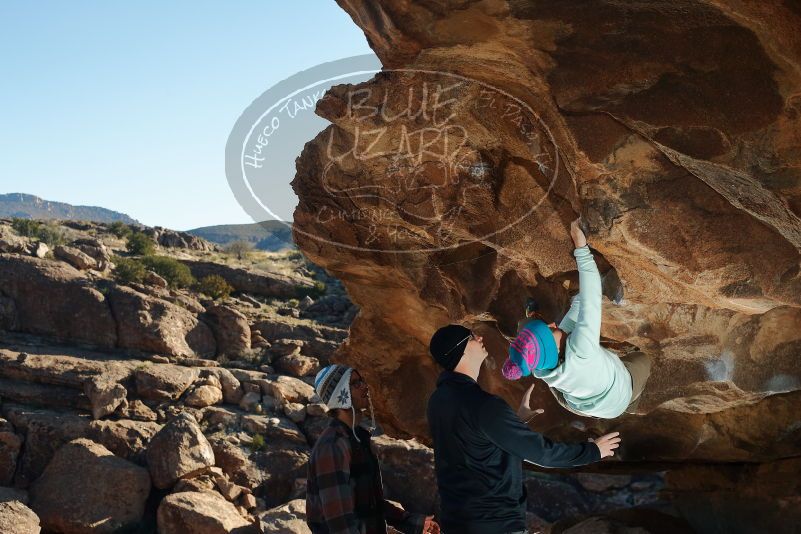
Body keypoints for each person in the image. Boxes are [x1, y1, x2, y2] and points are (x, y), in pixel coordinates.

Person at [427, 324, 620, 534]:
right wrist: (593, 451)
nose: (480, 337)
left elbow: (475, 446)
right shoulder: (483, 405)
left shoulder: (438, 401)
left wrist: (516, 422)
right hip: (496, 525)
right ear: (461, 350)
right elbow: (542, 454)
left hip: (457, 523)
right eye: (472, 337)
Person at [501, 218, 652, 419]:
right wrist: (581, 246)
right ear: (553, 350)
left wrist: (533, 319)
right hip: (617, 398)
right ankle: (633, 403)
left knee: (566, 326)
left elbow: (532, 342)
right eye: (550, 330)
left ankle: (551, 322)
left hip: (579, 405)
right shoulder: (582, 350)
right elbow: (591, 300)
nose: (553, 324)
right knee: (643, 359)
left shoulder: (540, 366)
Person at [306, 364, 441, 534]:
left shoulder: (357, 438)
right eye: (355, 383)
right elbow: (339, 523)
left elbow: (371, 503)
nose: (364, 386)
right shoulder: (333, 445)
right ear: (340, 395)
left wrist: (415, 523)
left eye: (361, 380)